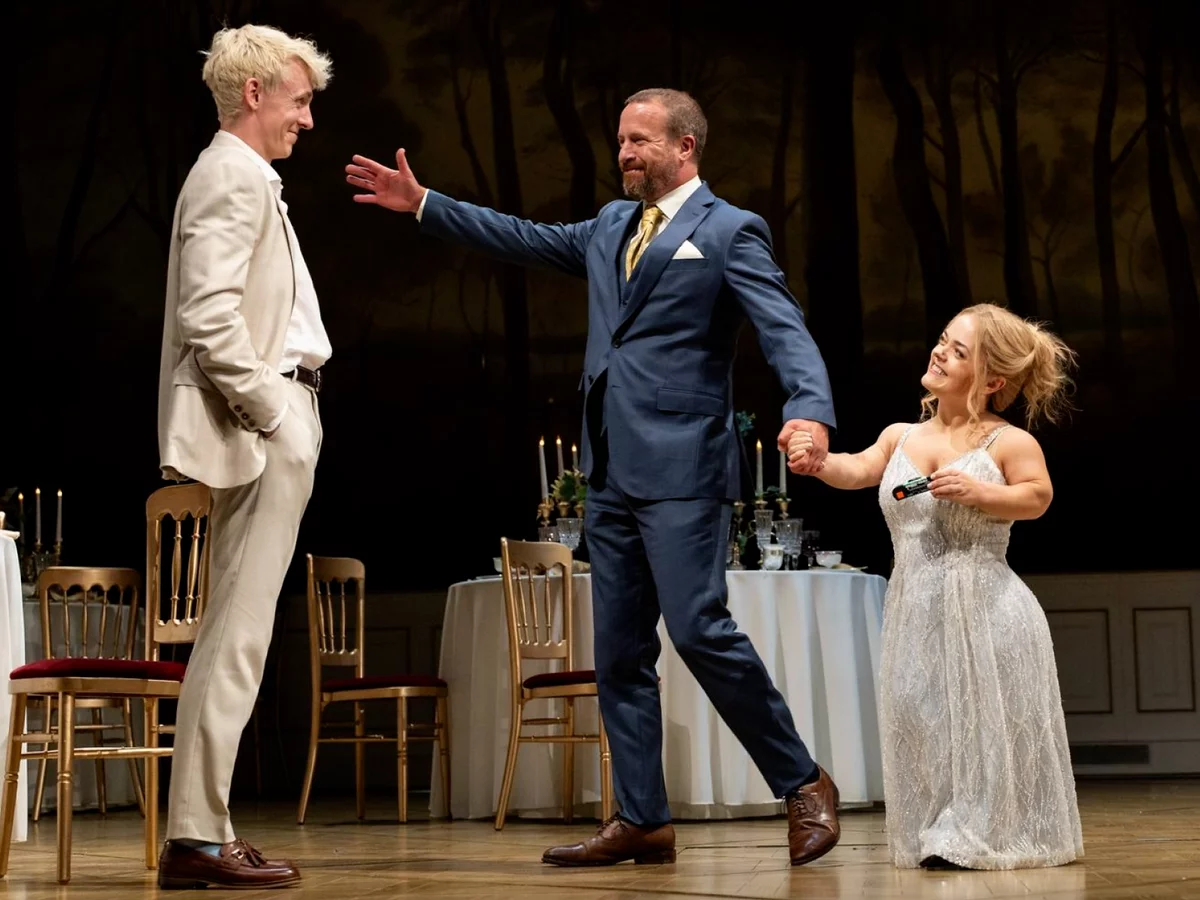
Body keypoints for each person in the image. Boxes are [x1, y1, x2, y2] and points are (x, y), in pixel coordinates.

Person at [347, 88, 841, 867]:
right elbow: (522, 236)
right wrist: (424, 204)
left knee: (699, 631)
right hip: (608, 468)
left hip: (683, 467)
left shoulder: (728, 230)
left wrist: (809, 409)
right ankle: (643, 816)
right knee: (617, 654)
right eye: (620, 141)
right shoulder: (612, 224)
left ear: (686, 148)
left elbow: (784, 327)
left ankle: (803, 781)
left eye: (641, 141)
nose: (625, 154)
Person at [787, 303, 1084, 870]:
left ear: (992, 380)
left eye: (958, 351)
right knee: (923, 723)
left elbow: (1037, 497)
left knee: (979, 726)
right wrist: (819, 463)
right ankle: (937, 831)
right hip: (914, 604)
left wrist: (980, 494)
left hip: (986, 603)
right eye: (943, 342)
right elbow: (856, 469)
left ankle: (966, 837)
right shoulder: (900, 435)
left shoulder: (1007, 442)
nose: (940, 353)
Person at [155, 24, 332, 889]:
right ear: (255, 92)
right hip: (263, 426)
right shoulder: (229, 174)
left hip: (275, 420)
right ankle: (194, 837)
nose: (307, 119)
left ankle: (206, 824)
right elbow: (208, 318)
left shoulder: (246, 177)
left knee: (238, 634)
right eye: (299, 100)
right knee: (236, 636)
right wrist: (275, 414)